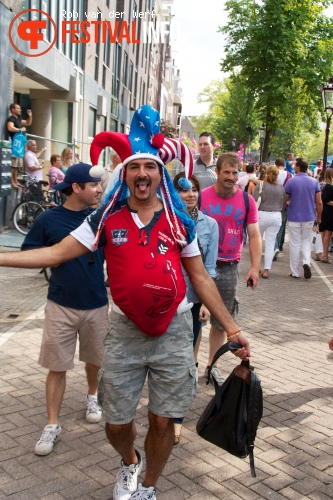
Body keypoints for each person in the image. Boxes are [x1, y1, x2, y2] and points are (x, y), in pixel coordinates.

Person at [0, 105, 250, 500]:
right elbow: (53, 254)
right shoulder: (105, 219)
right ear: (125, 175)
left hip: (174, 330)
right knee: (116, 423)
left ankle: (148, 485)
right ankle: (129, 461)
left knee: (163, 420)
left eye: (150, 167)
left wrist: (232, 328)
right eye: (135, 168)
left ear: (159, 174)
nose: (143, 174)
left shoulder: (177, 220)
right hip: (124, 332)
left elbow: (200, 277)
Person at [21, 163, 108, 456]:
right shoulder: (49, 219)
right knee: (56, 366)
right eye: (94, 185)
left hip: (96, 302)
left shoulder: (101, 218)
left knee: (95, 360)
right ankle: (52, 424)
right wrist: (52, 259)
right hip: (60, 304)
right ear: (76, 188)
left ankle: (93, 396)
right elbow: (29, 253)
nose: (99, 190)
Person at [200, 152, 261, 385]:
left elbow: (254, 236)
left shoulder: (247, 201)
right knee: (196, 318)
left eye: (235, 173)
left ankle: (211, 366)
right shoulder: (203, 198)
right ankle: (192, 365)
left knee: (220, 321)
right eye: (227, 172)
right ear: (218, 172)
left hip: (229, 267)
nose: (231, 177)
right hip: (201, 266)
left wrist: (255, 268)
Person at [172, 172, 218, 445]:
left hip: (193, 301)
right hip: (167, 301)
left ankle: (176, 416)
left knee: (185, 357)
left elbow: (209, 269)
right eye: (183, 190)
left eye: (194, 190)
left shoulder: (209, 225)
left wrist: (207, 305)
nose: (190, 194)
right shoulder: (163, 220)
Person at [285, 157, 322, 279]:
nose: (294, 167)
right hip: (309, 216)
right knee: (306, 241)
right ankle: (306, 262)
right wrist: (319, 217)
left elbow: (285, 199)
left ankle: (295, 271)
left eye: (295, 166)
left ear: (299, 167)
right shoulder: (314, 182)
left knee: (294, 244)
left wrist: (285, 206)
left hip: (294, 216)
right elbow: (319, 202)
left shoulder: (291, 182)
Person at [253, 166, 285, 279]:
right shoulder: (281, 187)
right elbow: (283, 203)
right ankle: (266, 270)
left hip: (262, 214)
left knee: (257, 241)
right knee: (270, 243)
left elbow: (254, 200)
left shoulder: (261, 185)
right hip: (276, 215)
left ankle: (256, 267)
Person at [6, 103, 32, 188]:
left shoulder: (18, 120)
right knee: (13, 165)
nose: (20, 110)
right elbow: (10, 128)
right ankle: (12, 181)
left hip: (19, 147)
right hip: (14, 145)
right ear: (13, 109)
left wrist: (30, 116)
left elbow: (28, 123)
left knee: (17, 165)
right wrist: (20, 129)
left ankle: (16, 180)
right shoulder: (11, 119)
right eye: (18, 108)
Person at [318, 168, 333, 263]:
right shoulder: (329, 186)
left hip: (326, 211)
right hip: (329, 212)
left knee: (324, 233)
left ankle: (324, 254)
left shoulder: (326, 186)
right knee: (328, 233)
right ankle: (324, 254)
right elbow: (325, 199)